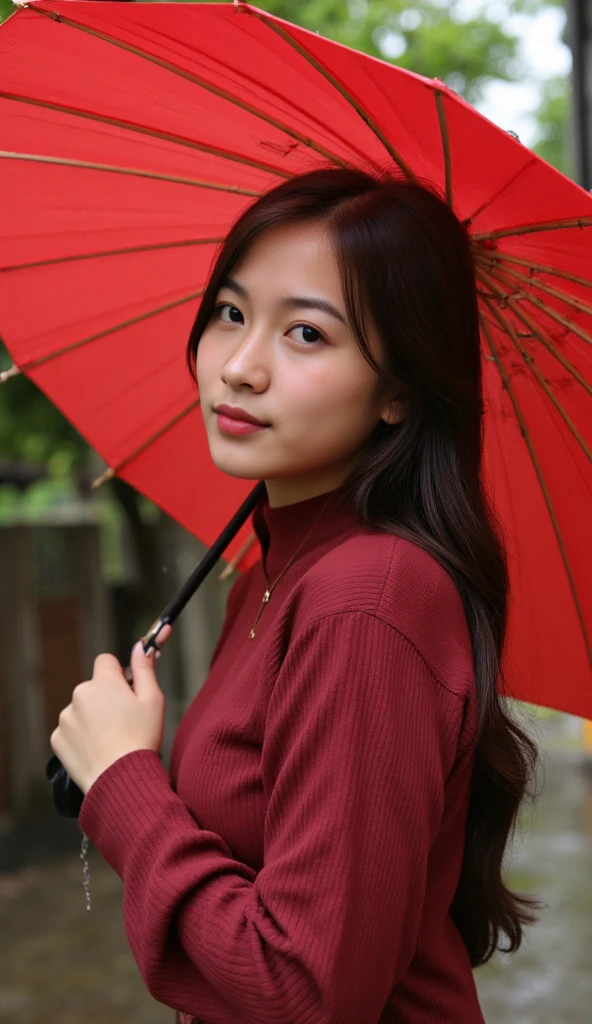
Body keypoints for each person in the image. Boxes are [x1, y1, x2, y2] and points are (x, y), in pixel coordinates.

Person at [53, 166, 542, 1023]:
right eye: (232, 314)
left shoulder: (368, 599)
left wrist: (126, 782)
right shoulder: (271, 573)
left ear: (399, 391)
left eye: (307, 335)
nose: (239, 367)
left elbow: (304, 992)